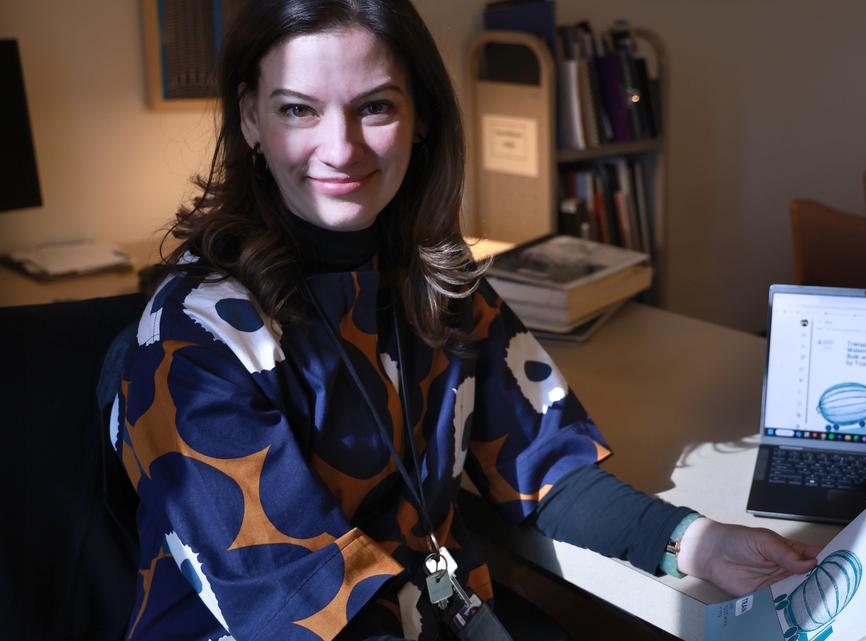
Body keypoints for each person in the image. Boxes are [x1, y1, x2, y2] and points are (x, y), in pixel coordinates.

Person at [109, 1, 821, 639]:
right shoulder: (191, 337)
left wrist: (695, 541)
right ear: (250, 120)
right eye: (299, 109)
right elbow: (294, 607)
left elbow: (547, 466)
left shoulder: (435, 282)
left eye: (375, 107)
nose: (342, 148)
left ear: (420, 117)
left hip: (436, 613)